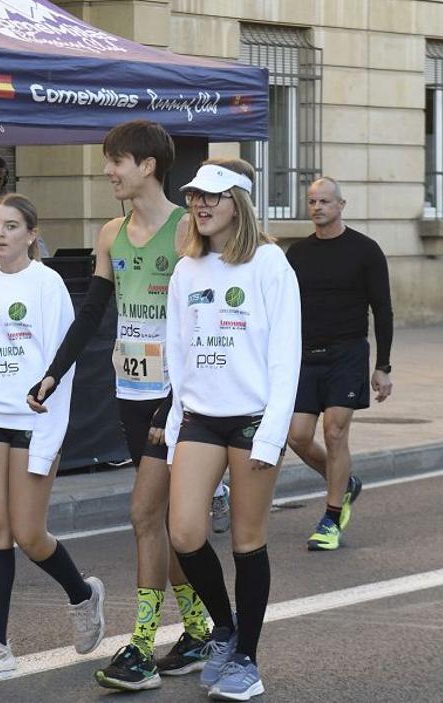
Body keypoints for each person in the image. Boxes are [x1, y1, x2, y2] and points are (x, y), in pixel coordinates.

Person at [28, 120, 227, 693]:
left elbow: (202, 323)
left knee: (144, 514)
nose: (108, 171)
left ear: (148, 166)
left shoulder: (191, 231)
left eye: (117, 161)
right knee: (166, 523)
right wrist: (51, 374)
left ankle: (141, 645)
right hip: (131, 393)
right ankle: (196, 629)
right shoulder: (111, 233)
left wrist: (181, 400)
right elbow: (92, 315)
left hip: (180, 399)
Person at [0, 193, 106, 674]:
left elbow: (65, 366)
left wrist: (47, 440)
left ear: (31, 234)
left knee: (29, 534)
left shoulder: (47, 284)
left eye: (11, 226)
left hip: (34, 422)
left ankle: (82, 594)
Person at [166, 158, 301, 701]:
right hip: (199, 418)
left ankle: (247, 657)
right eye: (196, 196)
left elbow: (285, 357)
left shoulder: (270, 264)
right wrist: (175, 419)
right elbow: (176, 352)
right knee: (184, 533)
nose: (201, 205)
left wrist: (272, 434)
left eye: (213, 198)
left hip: (252, 422)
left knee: (247, 541)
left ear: (238, 204)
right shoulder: (186, 269)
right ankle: (224, 628)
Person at [285, 177, 393, 552]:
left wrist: (384, 366)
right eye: (312, 201)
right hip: (305, 353)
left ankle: (331, 517)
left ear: (341, 205)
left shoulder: (365, 250)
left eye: (325, 201)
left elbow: (383, 309)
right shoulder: (296, 254)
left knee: (334, 431)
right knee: (296, 435)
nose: (317, 207)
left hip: (347, 352)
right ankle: (343, 481)